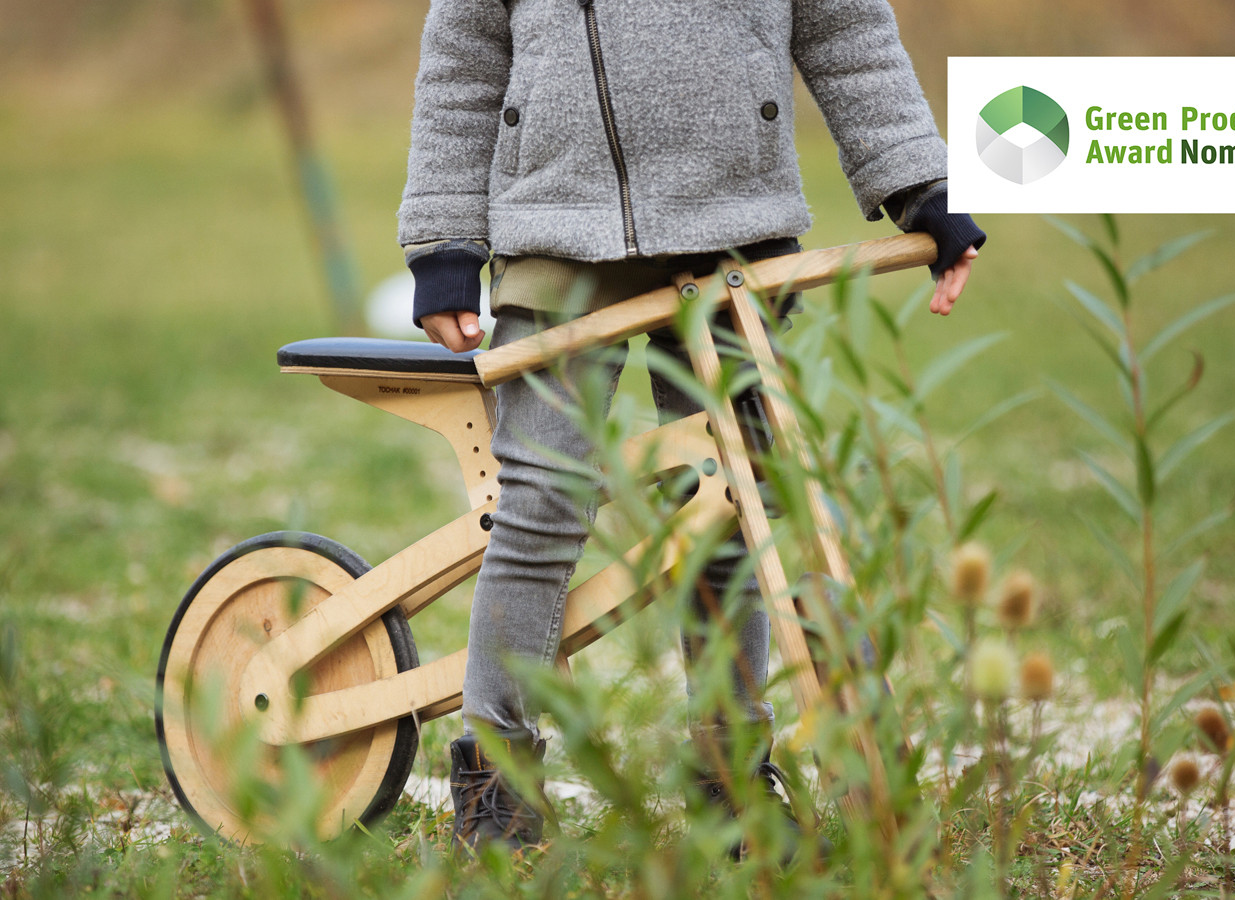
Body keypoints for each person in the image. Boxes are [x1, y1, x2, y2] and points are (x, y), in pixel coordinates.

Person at [398, 0, 985, 856]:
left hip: (733, 221)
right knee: (543, 500)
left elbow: (847, 29)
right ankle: (497, 777)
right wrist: (447, 241)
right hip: (556, 221)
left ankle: (731, 773)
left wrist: (920, 185)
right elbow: (465, 55)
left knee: (740, 505)